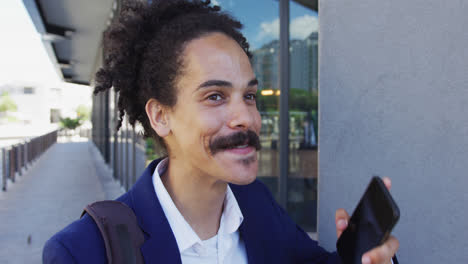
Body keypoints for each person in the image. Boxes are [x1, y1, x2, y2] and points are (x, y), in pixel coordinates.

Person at [43, 0, 399, 263]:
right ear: (160, 116)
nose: (246, 117)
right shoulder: (82, 251)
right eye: (215, 96)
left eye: (249, 96)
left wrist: (365, 257)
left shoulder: (255, 204)